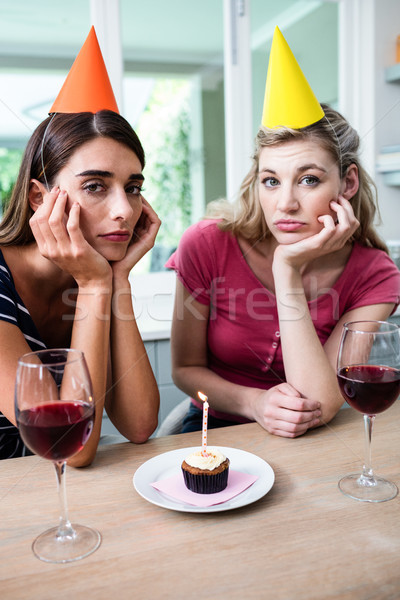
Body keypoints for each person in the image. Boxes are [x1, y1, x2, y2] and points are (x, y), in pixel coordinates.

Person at [166, 28, 400, 438]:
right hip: (215, 432)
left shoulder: (376, 275)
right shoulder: (206, 244)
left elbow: (322, 402)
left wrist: (287, 269)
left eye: (308, 180)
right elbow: (186, 371)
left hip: (315, 440)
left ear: (347, 183)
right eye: (271, 180)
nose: (285, 203)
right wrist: (253, 403)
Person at [0, 30, 161, 464]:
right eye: (95, 186)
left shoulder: (97, 272)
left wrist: (117, 278)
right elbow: (67, 446)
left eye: (133, 187)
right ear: (40, 198)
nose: (124, 211)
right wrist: (94, 284)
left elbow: (140, 424)